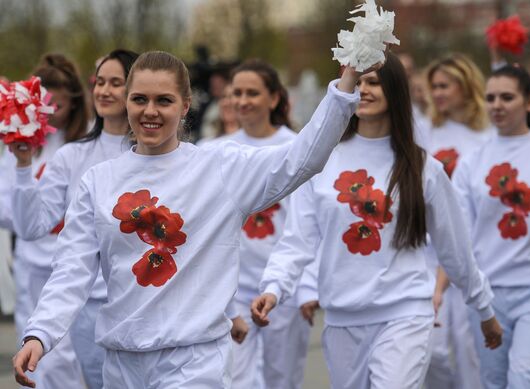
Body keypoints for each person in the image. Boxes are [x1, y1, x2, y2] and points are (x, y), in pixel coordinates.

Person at [12, 50, 371, 388]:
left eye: (163, 101)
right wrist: (40, 333)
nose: (150, 111)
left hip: (193, 361)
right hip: (122, 362)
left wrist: (348, 81)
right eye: (140, 99)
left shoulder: (219, 168)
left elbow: (302, 158)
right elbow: (72, 269)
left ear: (185, 106)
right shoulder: (99, 179)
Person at [251, 52, 503, 389]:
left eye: (373, 82)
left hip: (405, 313)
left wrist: (484, 309)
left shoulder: (422, 168)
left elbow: (455, 250)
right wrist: (274, 287)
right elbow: (298, 239)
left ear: (395, 90)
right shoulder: (321, 163)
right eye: (357, 81)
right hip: (342, 319)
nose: (363, 90)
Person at [9, 49, 139, 389]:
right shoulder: (72, 155)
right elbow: (30, 226)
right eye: (100, 82)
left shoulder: (154, 154)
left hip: (144, 304)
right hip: (89, 308)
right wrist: (23, 167)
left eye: (117, 83)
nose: (104, 91)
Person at [209, 59, 314, 389]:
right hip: (233, 289)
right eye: (235, 93)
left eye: (252, 93)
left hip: (283, 289)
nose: (242, 101)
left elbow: (308, 226)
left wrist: (308, 284)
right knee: (234, 379)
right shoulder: (214, 151)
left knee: (281, 380)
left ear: (274, 98)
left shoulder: (298, 148)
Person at [451, 64, 530, 388]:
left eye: (507, 97)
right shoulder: (472, 162)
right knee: (493, 382)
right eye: (491, 97)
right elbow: (458, 231)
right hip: (488, 295)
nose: (497, 105)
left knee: (525, 378)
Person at [0, 53, 89, 389]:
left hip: (73, 265)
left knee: (71, 355)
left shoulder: (85, 142)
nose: (51, 115)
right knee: (35, 352)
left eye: (60, 107)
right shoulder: (21, 144)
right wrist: (33, 212)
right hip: (31, 263)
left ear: (76, 104)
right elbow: (6, 206)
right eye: (45, 107)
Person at [423, 53, 494, 389]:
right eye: (434, 86)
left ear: (467, 88)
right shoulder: (426, 131)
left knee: (469, 350)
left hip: (472, 252)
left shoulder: (487, 136)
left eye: (445, 85)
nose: (437, 93)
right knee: (431, 351)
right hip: (428, 252)